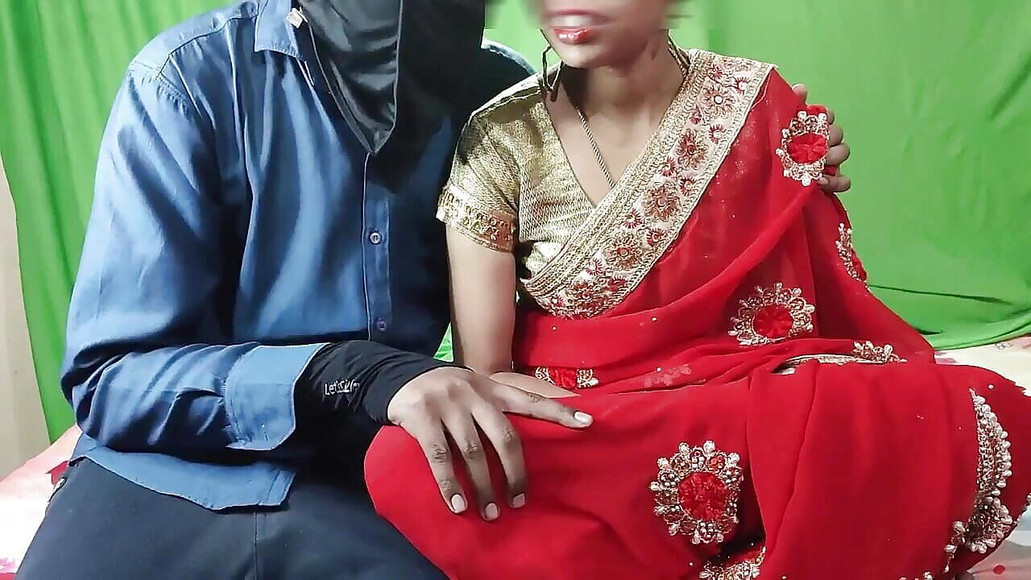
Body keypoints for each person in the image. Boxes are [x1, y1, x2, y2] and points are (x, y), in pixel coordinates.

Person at [16, 0, 853, 578]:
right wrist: (354, 374)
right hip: (166, 474)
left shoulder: (499, 102)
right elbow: (112, 376)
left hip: (380, 472)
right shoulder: (190, 81)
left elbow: (612, 266)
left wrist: (758, 173)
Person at [363, 1, 1031, 579]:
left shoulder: (751, 102)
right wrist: (630, 421)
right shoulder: (500, 140)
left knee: (972, 407)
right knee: (406, 461)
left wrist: (794, 164)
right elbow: (487, 371)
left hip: (748, 399)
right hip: (599, 426)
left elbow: (821, 316)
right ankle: (780, 521)